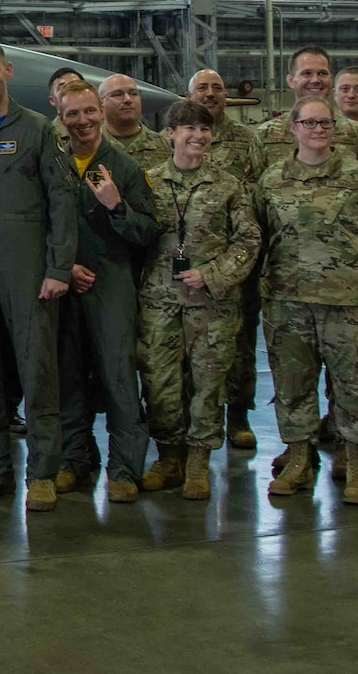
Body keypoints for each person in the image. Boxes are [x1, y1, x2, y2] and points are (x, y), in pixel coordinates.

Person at [0, 41, 75, 511]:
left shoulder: (39, 130)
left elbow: (62, 201)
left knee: (37, 371)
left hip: (27, 272)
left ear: (7, 71)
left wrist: (58, 267)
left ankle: (41, 473)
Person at [256, 96, 358, 505]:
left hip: (351, 303)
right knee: (292, 385)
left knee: (354, 386)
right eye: (310, 123)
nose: (318, 130)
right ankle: (299, 460)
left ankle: (355, 464)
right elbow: (261, 234)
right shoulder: (271, 180)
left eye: (326, 123)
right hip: (287, 301)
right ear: (292, 128)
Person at [136, 100, 260, 501]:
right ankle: (168, 456)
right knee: (160, 383)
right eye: (188, 128)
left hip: (212, 304)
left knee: (209, 385)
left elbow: (249, 240)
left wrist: (213, 274)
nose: (198, 135)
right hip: (160, 302)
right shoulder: (149, 182)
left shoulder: (228, 186)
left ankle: (198, 461)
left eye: (204, 129)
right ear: (169, 134)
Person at [53, 81, 159, 503]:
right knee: (67, 375)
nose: (82, 121)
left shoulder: (124, 167)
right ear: (60, 118)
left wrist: (117, 206)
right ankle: (73, 459)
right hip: (64, 280)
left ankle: (124, 468)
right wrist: (64, 267)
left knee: (118, 377)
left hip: (111, 282)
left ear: (101, 112)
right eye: (72, 114)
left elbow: (149, 230)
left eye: (88, 112)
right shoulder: (54, 163)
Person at [186, 67, 266, 452]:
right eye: (202, 87)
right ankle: (193, 419)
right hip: (189, 266)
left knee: (240, 344)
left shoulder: (248, 139)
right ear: (189, 96)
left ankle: (238, 416)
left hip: (237, 263)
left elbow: (259, 197)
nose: (210, 93)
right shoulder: (178, 136)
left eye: (217, 87)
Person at [257, 47, 358, 174]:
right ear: (291, 81)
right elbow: (253, 188)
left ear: (330, 79)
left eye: (322, 73)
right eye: (307, 73)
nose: (315, 80)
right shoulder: (267, 134)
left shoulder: (356, 134)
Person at [99, 73, 171, 173]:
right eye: (118, 94)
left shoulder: (164, 146)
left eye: (134, 93)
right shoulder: (91, 146)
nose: (128, 99)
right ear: (101, 104)